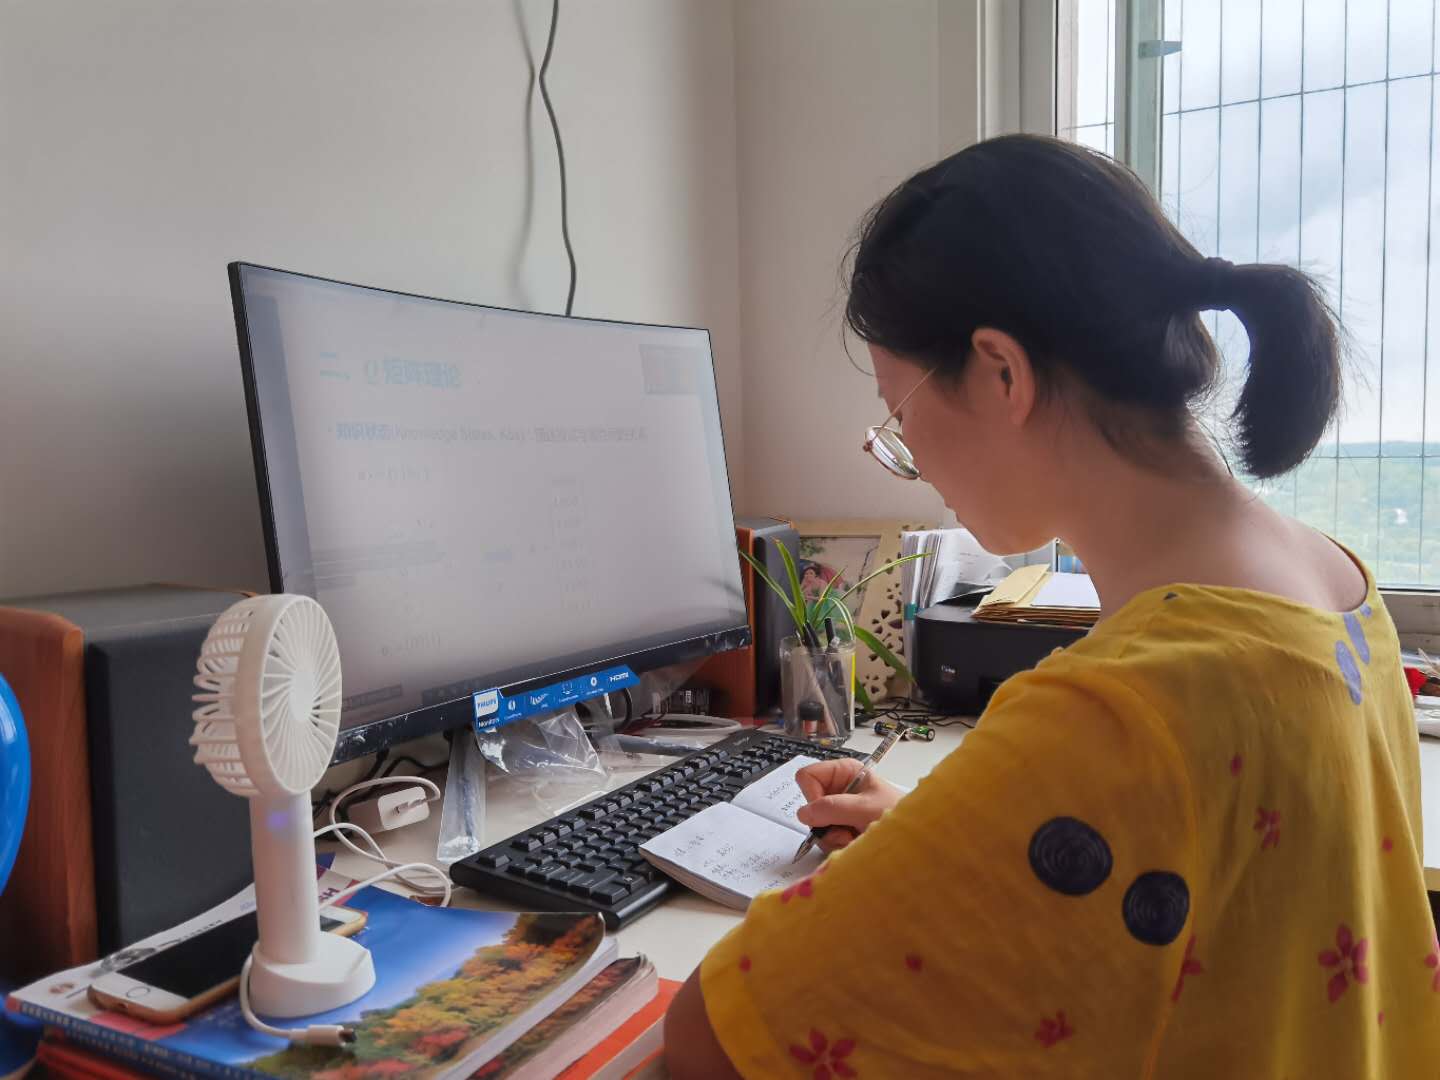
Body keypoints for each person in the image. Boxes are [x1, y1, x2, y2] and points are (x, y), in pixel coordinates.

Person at [664, 135, 1440, 1077]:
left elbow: (719, 1034)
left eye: (899, 415)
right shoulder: (1338, 587)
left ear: (1002, 372)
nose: (910, 455)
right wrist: (964, 838)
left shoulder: (1124, 709)